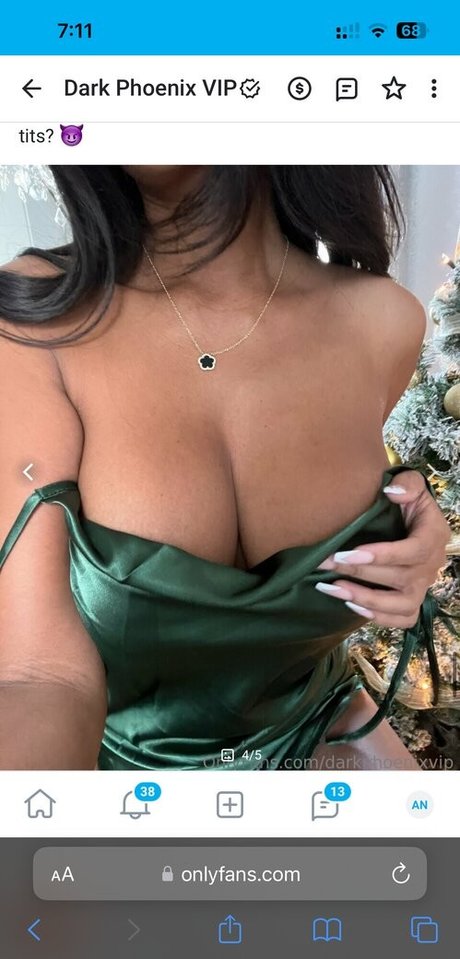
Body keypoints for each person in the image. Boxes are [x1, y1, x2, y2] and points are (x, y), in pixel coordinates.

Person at [0, 166, 451, 770]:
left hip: (319, 728)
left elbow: (371, 484)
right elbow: (38, 676)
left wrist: (409, 526)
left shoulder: (385, 318)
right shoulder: (33, 319)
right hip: (121, 768)